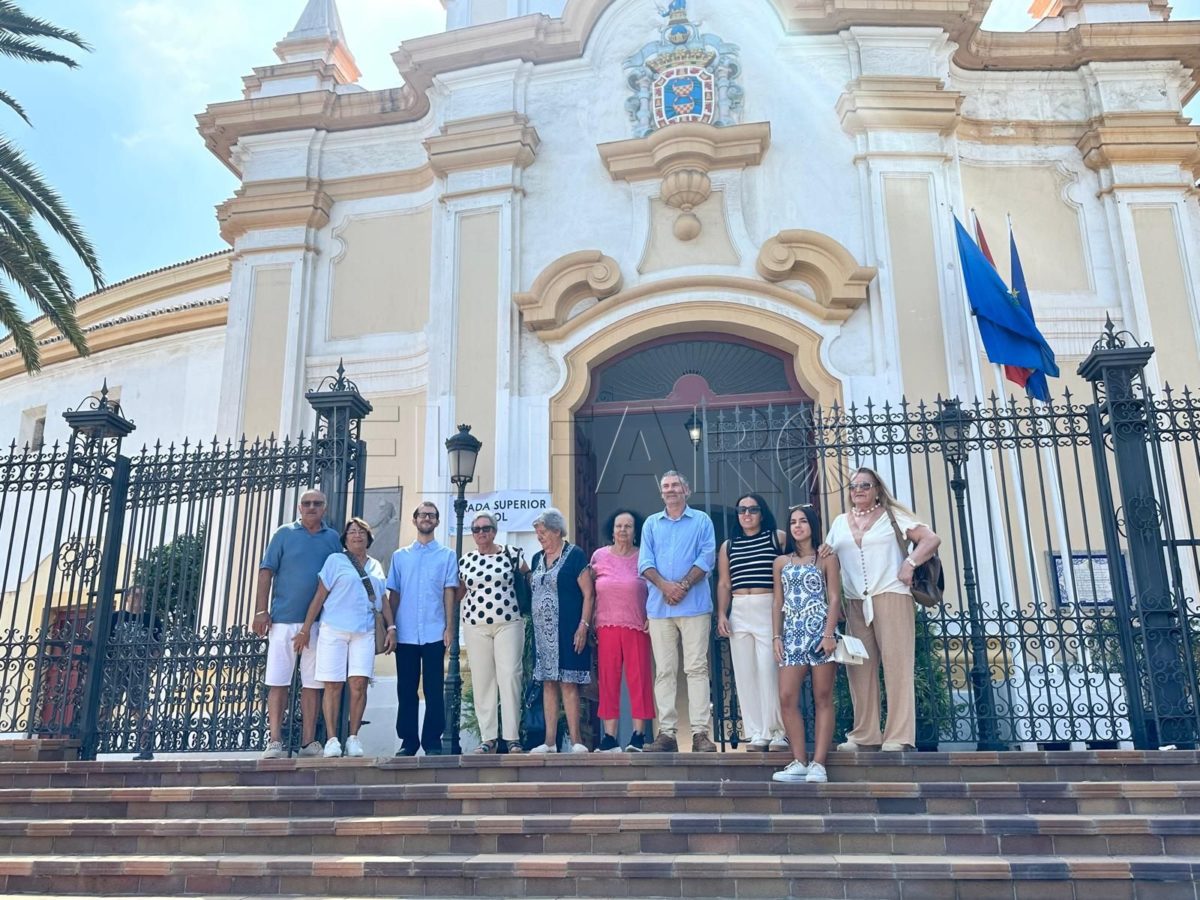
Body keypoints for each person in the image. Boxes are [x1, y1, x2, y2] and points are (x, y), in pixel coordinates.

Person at [824, 467, 941, 752]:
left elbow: (930, 539)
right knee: (859, 669)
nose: (858, 490)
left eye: (865, 485)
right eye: (853, 486)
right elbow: (826, 558)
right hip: (855, 602)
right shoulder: (839, 522)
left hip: (891, 595)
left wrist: (909, 564)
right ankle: (865, 734)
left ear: (877, 489)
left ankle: (899, 736)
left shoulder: (893, 516)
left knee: (897, 666)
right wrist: (833, 598)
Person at [293, 518, 395, 758]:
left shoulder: (376, 566)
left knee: (359, 684)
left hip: (365, 631)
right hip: (334, 630)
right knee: (333, 684)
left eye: (361, 532)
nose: (357, 535)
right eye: (352, 532)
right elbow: (319, 596)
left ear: (368, 538)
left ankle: (353, 738)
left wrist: (391, 627)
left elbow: (383, 600)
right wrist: (305, 629)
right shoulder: (335, 561)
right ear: (345, 539)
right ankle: (331, 740)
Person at [255, 489, 343, 759]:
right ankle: (274, 741)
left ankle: (308, 742)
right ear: (299, 508)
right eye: (306, 503)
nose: (311, 507)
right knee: (278, 681)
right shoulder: (283, 534)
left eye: (317, 503)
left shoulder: (333, 538)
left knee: (313, 685)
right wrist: (260, 610)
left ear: (324, 508)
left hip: (318, 624)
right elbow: (266, 571)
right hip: (282, 621)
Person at [638, 470, 718, 753]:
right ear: (661, 493)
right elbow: (644, 563)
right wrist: (665, 587)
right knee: (664, 671)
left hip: (694, 606)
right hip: (660, 609)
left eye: (675, 485)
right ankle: (667, 734)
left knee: (696, 668)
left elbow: (707, 557)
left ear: (686, 490)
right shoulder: (651, 524)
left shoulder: (702, 521)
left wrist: (681, 586)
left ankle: (700, 734)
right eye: (666, 486)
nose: (670, 490)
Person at [772, 505, 841, 783]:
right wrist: (776, 636)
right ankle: (799, 760)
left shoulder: (826, 558)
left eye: (803, 521)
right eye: (793, 522)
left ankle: (819, 764)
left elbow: (834, 598)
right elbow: (778, 602)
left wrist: (829, 634)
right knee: (787, 697)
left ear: (812, 525)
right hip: (792, 635)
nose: (798, 526)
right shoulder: (781, 562)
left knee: (822, 696)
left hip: (819, 632)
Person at [386, 501, 459, 756]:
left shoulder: (447, 555)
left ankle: (432, 741)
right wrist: (390, 627)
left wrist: (450, 627)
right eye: (422, 514)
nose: (427, 518)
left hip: (434, 631)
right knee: (406, 689)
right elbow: (394, 594)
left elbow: (449, 592)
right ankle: (408, 741)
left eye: (432, 515)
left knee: (433, 689)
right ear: (414, 519)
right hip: (405, 632)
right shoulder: (400, 556)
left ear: (437, 521)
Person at [716, 493, 787, 752]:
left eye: (753, 509)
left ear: (762, 512)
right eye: (742, 510)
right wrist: (722, 614)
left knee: (769, 671)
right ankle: (756, 732)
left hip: (767, 606)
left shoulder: (777, 538)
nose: (747, 514)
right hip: (739, 609)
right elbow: (724, 583)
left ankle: (777, 732)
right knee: (745, 674)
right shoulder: (728, 546)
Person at [458, 512, 527, 754]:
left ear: (494, 531)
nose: (481, 533)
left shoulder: (512, 554)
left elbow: (528, 579)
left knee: (510, 677)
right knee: (482, 680)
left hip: (509, 623)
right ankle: (488, 738)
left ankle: (512, 737)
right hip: (475, 625)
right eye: (476, 529)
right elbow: (459, 593)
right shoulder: (465, 561)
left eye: (486, 528)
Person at [528, 508, 593, 753]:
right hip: (543, 635)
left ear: (557, 531)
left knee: (568, 683)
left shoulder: (574, 555)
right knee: (548, 683)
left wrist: (583, 626)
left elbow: (589, 594)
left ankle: (576, 741)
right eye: (537, 533)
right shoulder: (536, 559)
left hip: (568, 630)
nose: (539, 537)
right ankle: (549, 742)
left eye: (543, 532)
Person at [591, 509, 653, 753]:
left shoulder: (644, 556)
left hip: (637, 624)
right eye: (619, 526)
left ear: (635, 531)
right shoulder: (599, 556)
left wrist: (653, 616)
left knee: (639, 679)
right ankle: (609, 737)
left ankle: (638, 735)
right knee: (608, 681)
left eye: (628, 526)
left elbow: (655, 587)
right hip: (606, 625)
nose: (623, 530)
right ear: (612, 529)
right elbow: (588, 591)